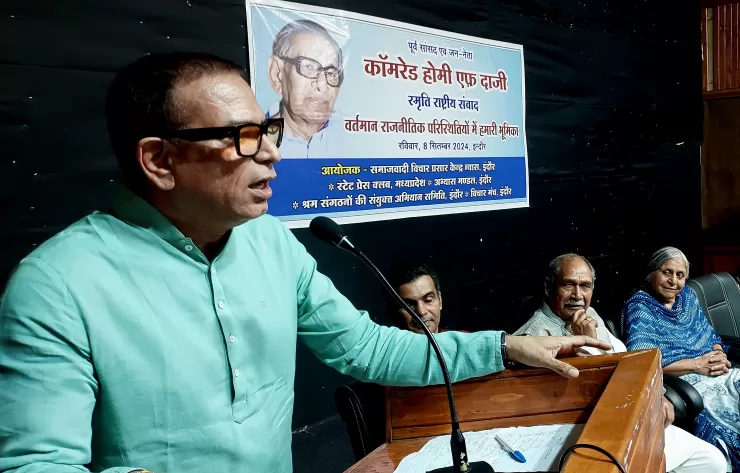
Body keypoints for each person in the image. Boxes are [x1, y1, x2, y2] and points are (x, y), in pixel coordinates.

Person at [0, 52, 610, 473]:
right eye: (242, 137)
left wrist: (505, 347)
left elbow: (369, 349)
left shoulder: (270, 241)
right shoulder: (57, 286)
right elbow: (38, 464)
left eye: (269, 129)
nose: (271, 153)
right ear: (159, 160)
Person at [515, 253, 727, 473]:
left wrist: (657, 396)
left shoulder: (589, 314)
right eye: (568, 285)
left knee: (712, 461)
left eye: (585, 286)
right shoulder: (533, 338)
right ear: (548, 288)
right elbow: (576, 400)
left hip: (630, 416)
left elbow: (627, 360)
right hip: (591, 435)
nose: (577, 295)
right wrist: (587, 342)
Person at [623, 246, 740, 472]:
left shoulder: (687, 297)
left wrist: (718, 353)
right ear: (652, 273)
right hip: (686, 381)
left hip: (717, 369)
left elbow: (709, 334)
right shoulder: (639, 307)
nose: (673, 281)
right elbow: (643, 362)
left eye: (680, 275)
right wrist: (697, 365)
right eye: (666, 272)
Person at [266, 20, 346, 158]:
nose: (322, 85)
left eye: (331, 73)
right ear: (277, 74)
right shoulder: (254, 142)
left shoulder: (352, 137)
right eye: (309, 67)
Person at [387, 261, 444, 334]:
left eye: (428, 300)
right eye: (408, 305)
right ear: (392, 311)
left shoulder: (458, 339)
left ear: (440, 300)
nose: (421, 311)